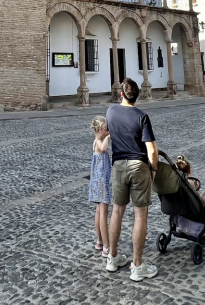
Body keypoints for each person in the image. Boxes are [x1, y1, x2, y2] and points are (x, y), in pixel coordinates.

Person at [105, 78, 158, 281]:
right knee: (140, 215)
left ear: (121, 94)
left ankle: (112, 257)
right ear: (138, 96)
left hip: (118, 165)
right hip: (138, 166)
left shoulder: (110, 112)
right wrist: (153, 168)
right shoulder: (141, 116)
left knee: (117, 211)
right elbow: (151, 149)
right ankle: (137, 266)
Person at [88, 115, 112, 256]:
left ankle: (99, 241)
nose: (108, 131)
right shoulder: (98, 141)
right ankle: (106, 246)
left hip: (98, 181)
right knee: (103, 213)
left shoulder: (98, 140)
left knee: (98, 212)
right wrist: (108, 139)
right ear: (98, 130)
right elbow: (103, 149)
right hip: (101, 182)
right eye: (105, 129)